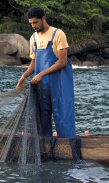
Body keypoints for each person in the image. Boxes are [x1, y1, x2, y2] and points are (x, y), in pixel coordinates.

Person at [16, 6, 75, 138]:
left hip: (60, 85)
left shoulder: (58, 34)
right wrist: (24, 76)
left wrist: (41, 74)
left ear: (43, 19)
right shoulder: (33, 38)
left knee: (64, 119)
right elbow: (34, 62)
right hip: (42, 86)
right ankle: (44, 152)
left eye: (35, 22)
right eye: (31, 23)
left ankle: (67, 151)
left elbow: (62, 62)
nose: (33, 26)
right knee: (42, 121)